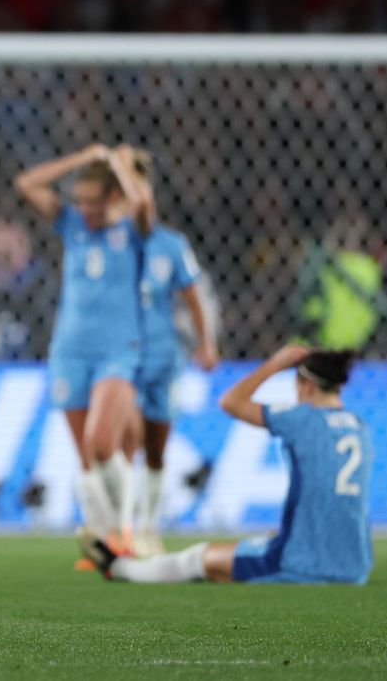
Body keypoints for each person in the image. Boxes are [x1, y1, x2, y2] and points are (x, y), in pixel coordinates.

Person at [81, 345, 375, 585]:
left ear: (307, 386)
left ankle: (119, 568)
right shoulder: (359, 427)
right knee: (249, 548)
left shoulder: (299, 419)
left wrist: (276, 362)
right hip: (355, 566)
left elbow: (231, 402)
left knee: (199, 559)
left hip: (304, 564)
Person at [14, 144, 149, 558]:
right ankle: (106, 541)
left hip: (118, 350)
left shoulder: (134, 229)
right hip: (70, 351)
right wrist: (82, 159)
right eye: (80, 200)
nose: (85, 208)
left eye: (93, 200)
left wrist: (118, 165)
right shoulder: (70, 223)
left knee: (103, 441)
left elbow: (142, 201)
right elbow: (27, 183)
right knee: (88, 456)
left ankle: (123, 530)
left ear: (112, 197)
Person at [126, 148, 219, 556]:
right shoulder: (109, 243)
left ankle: (148, 526)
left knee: (156, 447)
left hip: (164, 357)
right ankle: (120, 529)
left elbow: (194, 296)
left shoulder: (171, 245)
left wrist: (207, 342)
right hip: (121, 357)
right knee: (121, 443)